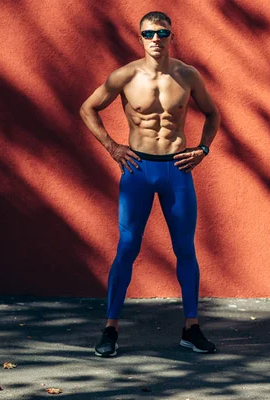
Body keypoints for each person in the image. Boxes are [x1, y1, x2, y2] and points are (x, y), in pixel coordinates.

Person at [79, 11, 220, 356]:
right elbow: (88, 108)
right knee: (127, 248)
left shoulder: (188, 75)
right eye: (149, 33)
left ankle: (191, 327)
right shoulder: (126, 75)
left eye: (162, 32)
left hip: (176, 169)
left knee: (185, 249)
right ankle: (110, 329)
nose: (156, 38)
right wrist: (112, 147)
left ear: (173, 36)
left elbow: (213, 113)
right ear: (139, 38)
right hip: (138, 170)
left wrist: (202, 149)